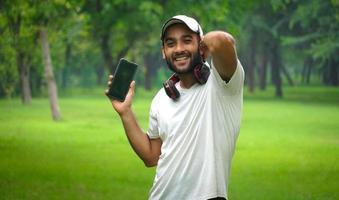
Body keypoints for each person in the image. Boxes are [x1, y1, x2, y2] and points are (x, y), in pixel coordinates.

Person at [106, 15, 244, 200]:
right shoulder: (161, 98)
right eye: (170, 44)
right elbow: (151, 156)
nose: (178, 49)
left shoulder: (222, 84)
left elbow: (222, 41)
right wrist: (125, 112)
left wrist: (205, 43)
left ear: (201, 45)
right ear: (163, 51)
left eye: (187, 41)